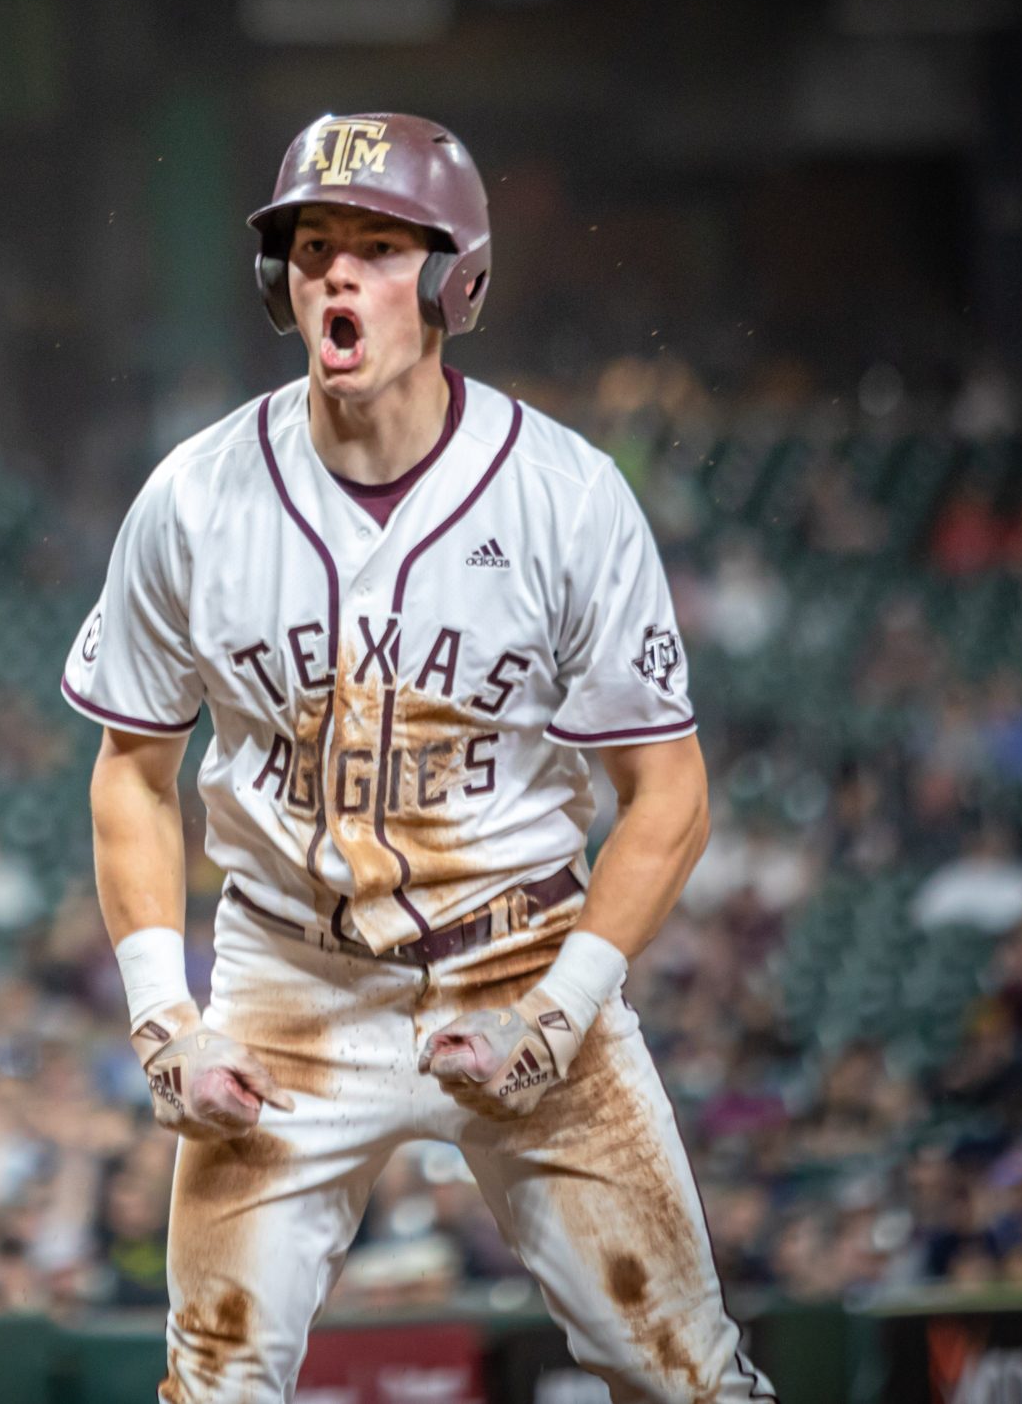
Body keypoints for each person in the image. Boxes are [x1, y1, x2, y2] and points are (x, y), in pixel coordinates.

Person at [67, 114, 774, 1401]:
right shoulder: (192, 496)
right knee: (211, 1376)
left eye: (378, 247)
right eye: (311, 246)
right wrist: (165, 1013)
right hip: (289, 974)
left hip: (521, 957)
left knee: (683, 1373)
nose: (334, 274)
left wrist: (560, 1017)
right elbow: (129, 765)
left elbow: (666, 794)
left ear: (456, 279)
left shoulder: (563, 496)